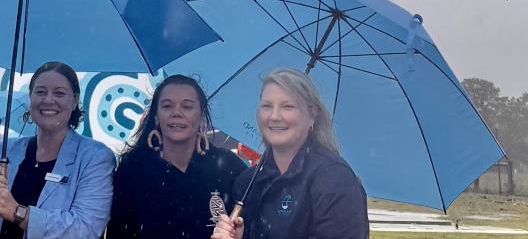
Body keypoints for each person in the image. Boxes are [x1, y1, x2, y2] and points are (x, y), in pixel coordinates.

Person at [211, 69, 367, 239]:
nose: (275, 116)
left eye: (288, 106)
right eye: (267, 106)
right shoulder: (247, 183)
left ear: (312, 115)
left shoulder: (334, 180)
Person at [0, 61, 114, 239]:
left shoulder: (95, 157)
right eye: (40, 92)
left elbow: (84, 229)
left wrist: (17, 212)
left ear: (75, 100)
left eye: (59, 93)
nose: (48, 100)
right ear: (30, 97)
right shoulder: (1, 151)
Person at [107, 75, 247, 239]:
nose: (176, 113)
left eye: (187, 107)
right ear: (156, 116)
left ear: (201, 115)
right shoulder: (133, 168)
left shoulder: (227, 166)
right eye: (167, 106)